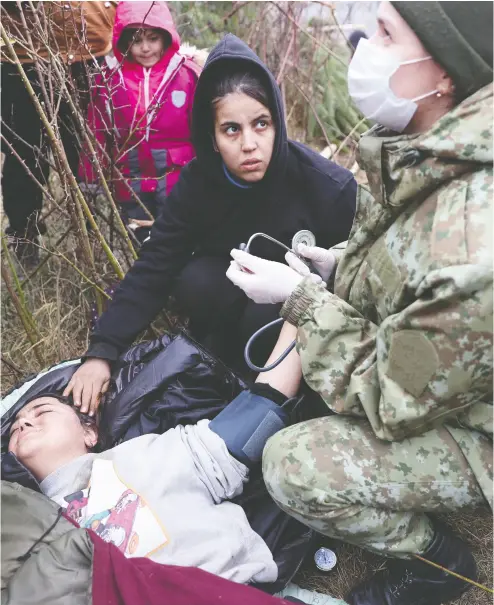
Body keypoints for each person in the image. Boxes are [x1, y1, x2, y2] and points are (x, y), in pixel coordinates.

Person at [226, 2, 493, 605]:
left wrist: (299, 301)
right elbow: (408, 258)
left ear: (444, 72)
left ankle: (438, 563)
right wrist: (339, 263)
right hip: (441, 379)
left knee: (292, 465)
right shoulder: (425, 146)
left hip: (478, 430)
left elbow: (393, 400)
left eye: (386, 33)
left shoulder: (478, 242)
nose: (362, 44)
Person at [65, 33, 357, 414]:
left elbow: (357, 285)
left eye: (261, 124)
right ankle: (216, 362)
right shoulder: (198, 182)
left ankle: (279, 401)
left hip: (299, 322)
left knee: (263, 314)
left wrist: (320, 279)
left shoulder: (328, 187)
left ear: (278, 123)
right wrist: (103, 351)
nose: (249, 144)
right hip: (225, 299)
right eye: (231, 129)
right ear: (212, 136)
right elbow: (156, 263)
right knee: (195, 280)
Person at [6, 323, 347, 605]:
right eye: (16, 424)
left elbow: (255, 416)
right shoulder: (20, 524)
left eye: (42, 412)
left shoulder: (142, 455)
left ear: (90, 432)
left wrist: (299, 313)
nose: (23, 423)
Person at [1, 1, 117, 267]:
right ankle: (24, 241)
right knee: (25, 156)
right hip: (21, 53)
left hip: (89, 47)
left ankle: (94, 243)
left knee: (87, 155)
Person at [78, 0, 201, 244]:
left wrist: (211, 172)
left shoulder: (186, 74)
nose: (145, 48)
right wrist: (91, 176)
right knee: (141, 243)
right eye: (136, 40)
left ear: (167, 37)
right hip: (131, 181)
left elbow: (204, 129)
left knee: (178, 240)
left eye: (153, 38)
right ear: (124, 41)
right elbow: (98, 131)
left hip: (179, 180)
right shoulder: (111, 80)